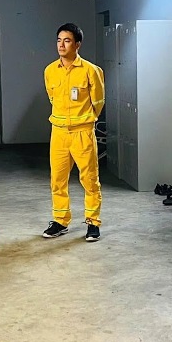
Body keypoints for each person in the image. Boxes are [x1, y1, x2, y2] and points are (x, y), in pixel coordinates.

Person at [42, 23, 105, 242]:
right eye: (59, 40)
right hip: (59, 133)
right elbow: (52, 98)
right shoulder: (50, 71)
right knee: (57, 180)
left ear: (77, 44)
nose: (61, 45)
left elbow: (98, 102)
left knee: (89, 179)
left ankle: (93, 222)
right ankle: (60, 221)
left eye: (67, 40)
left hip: (82, 132)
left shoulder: (91, 70)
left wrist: (84, 119)